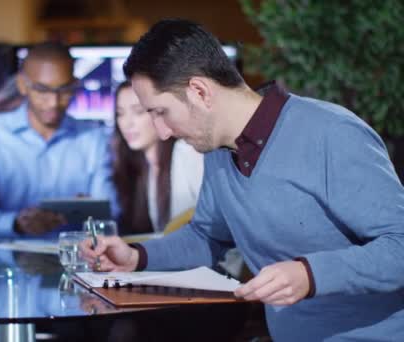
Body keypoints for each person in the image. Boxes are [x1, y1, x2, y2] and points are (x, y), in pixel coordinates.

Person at [81, 19, 404, 341]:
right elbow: (207, 236)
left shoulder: (331, 133)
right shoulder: (218, 149)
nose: (162, 132)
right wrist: (137, 256)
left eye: (160, 112)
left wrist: (310, 274)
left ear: (199, 92)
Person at [0, 42, 117, 238]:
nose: (53, 102)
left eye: (64, 90)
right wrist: (15, 223)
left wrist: (88, 211)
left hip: (76, 257)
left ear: (75, 84)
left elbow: (112, 211)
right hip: (6, 262)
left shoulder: (93, 138)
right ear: (22, 85)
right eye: (42, 90)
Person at [112, 80, 203, 235]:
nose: (127, 123)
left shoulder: (187, 153)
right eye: (120, 114)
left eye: (139, 111)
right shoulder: (142, 169)